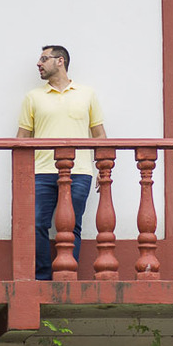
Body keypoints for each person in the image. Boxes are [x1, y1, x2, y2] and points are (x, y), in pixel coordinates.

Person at [16, 45, 106, 280]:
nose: (39, 64)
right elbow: (22, 138)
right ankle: (43, 276)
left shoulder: (87, 94)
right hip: (41, 171)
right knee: (37, 223)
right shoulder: (33, 97)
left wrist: (103, 167)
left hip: (80, 171)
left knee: (72, 225)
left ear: (60, 61)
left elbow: (99, 134)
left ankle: (67, 276)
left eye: (44, 59)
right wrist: (23, 174)